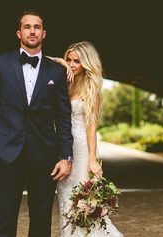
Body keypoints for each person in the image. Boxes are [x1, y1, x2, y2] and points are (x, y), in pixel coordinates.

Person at [0, 9, 74, 237]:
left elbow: (63, 117)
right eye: (28, 27)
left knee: (41, 222)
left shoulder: (57, 71)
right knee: (4, 220)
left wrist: (66, 156)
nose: (32, 31)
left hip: (44, 157)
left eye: (37, 27)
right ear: (19, 33)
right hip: (8, 154)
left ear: (44, 33)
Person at [54, 41, 124, 236]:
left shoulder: (91, 87)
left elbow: (91, 127)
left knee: (82, 203)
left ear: (87, 63)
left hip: (82, 150)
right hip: (64, 149)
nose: (72, 64)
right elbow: (41, 60)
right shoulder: (66, 81)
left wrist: (92, 160)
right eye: (69, 59)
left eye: (77, 61)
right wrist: (60, 61)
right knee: (66, 200)